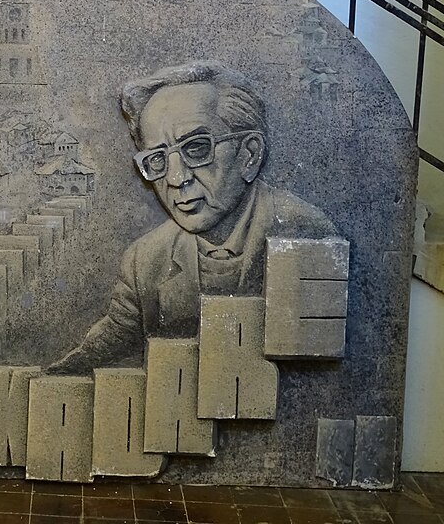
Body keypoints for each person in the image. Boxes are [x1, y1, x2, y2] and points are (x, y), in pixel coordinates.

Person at [48, 61, 337, 374]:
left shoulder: (307, 235)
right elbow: (113, 341)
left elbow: (326, 369)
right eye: (157, 159)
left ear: (249, 154)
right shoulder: (146, 260)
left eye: (196, 148)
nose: (175, 178)